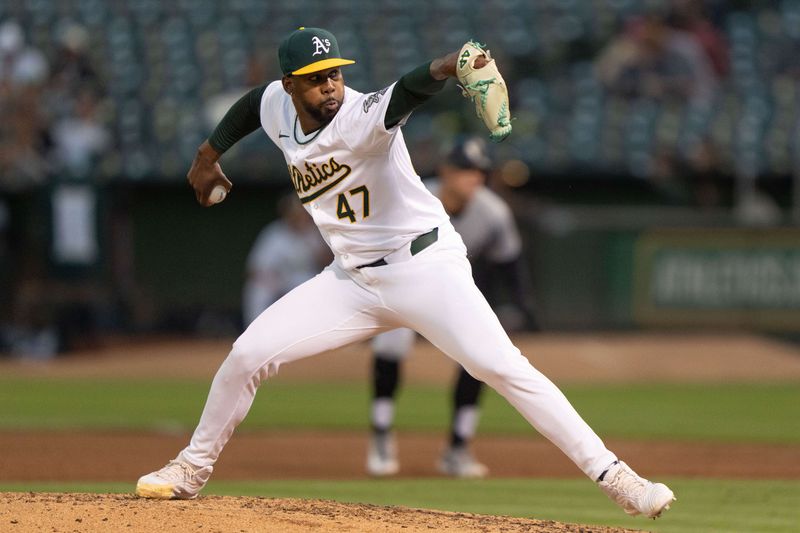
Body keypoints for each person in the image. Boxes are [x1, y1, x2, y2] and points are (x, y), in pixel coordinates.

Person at [136, 27, 676, 519]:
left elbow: (408, 91)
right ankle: (190, 470)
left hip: (424, 268)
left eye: (336, 73)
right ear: (290, 84)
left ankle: (619, 480)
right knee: (247, 354)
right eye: (317, 79)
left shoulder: (361, 115)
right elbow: (255, 105)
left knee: (503, 367)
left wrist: (447, 64)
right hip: (350, 282)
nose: (330, 86)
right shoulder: (278, 103)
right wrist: (208, 154)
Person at [367, 136, 537, 478]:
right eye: (465, 171)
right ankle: (381, 435)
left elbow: (510, 264)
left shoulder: (493, 213)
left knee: (480, 356)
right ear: (446, 172)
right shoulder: (415, 197)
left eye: (479, 172)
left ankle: (458, 448)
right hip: (403, 284)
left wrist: (524, 306)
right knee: (390, 347)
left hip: (453, 293)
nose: (474, 178)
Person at [242, 192, 330, 326]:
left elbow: (327, 263)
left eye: (300, 212)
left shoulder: (313, 232)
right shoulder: (274, 232)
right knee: (258, 290)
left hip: (303, 278)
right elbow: (254, 269)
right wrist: (271, 280)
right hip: (277, 278)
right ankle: (253, 330)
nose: (298, 216)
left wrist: (307, 242)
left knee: (307, 284)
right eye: (294, 212)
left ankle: (308, 329)